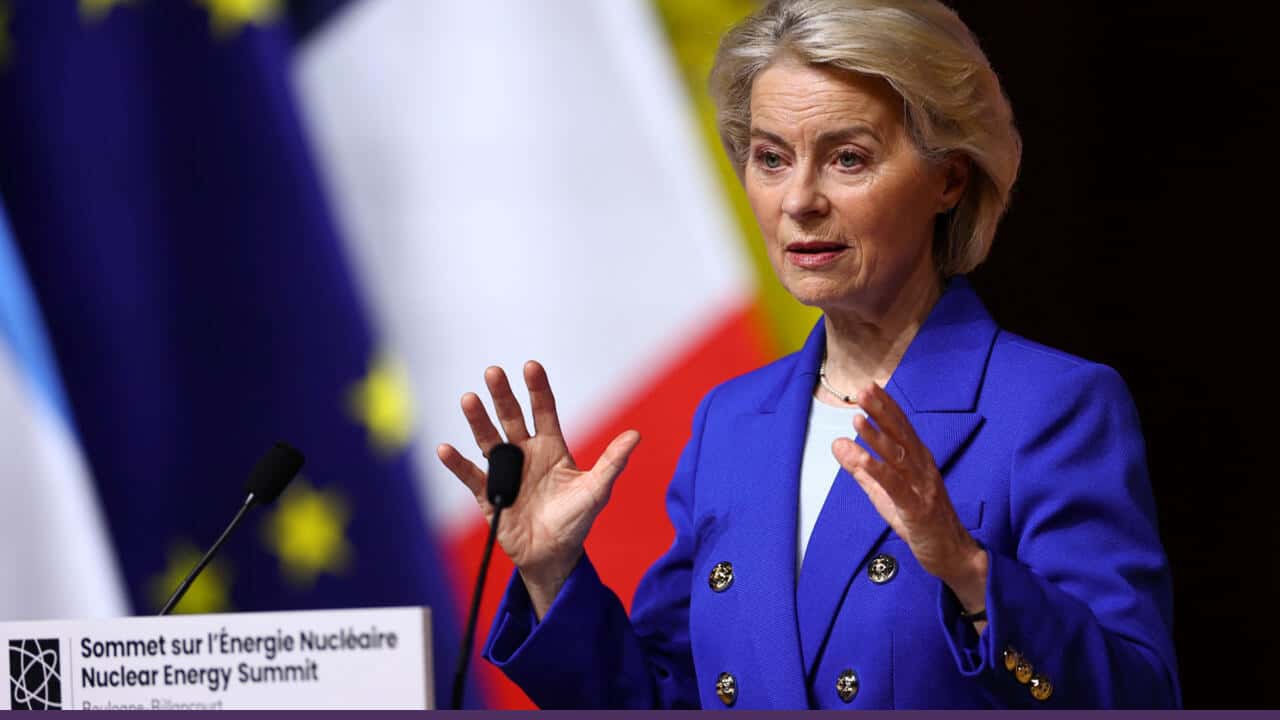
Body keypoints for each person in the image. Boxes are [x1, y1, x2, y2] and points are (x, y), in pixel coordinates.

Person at [436, 0, 1179, 709]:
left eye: (847, 158)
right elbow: (667, 698)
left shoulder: (1051, 407)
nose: (799, 200)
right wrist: (552, 571)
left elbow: (1138, 697)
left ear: (949, 179)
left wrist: (967, 568)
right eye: (771, 158)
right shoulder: (732, 421)